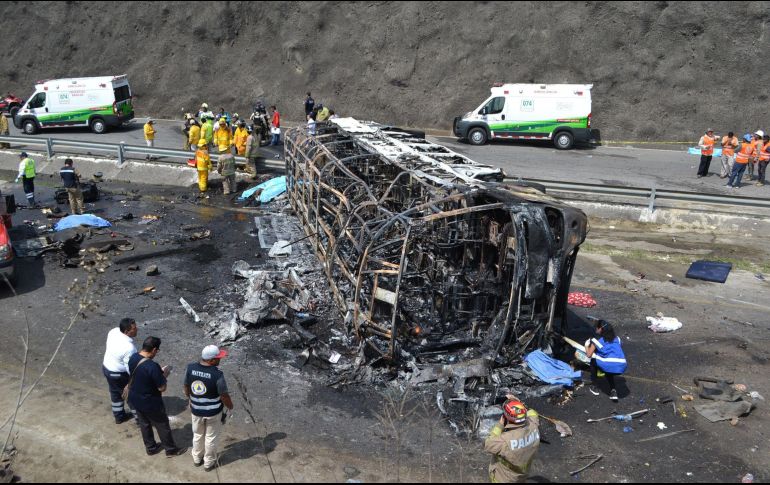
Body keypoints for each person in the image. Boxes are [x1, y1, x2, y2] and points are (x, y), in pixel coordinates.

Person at [127, 336, 187, 457]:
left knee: (144, 424)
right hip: (151, 402)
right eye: (157, 350)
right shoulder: (152, 366)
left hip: (135, 398)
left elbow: (140, 375)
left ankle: (151, 448)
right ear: (154, 350)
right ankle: (170, 450)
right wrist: (164, 375)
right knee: (162, 425)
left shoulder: (133, 357)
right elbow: (162, 388)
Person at [184, 345, 234, 471]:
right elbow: (224, 395)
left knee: (197, 435)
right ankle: (209, 463)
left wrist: (190, 398)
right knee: (211, 438)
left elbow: (186, 385)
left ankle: (196, 458)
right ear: (211, 360)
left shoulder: (190, 368)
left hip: (196, 410)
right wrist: (230, 406)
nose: (220, 360)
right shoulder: (217, 375)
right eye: (218, 358)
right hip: (213, 413)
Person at [484, 395, 540, 483]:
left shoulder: (504, 441)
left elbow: (488, 444)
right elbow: (533, 413)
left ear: (506, 417)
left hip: (504, 478)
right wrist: (519, 405)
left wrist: (500, 424)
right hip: (523, 474)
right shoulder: (534, 425)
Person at [101, 318, 138, 424]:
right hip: (118, 374)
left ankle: (119, 416)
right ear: (126, 331)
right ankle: (140, 419)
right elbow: (130, 369)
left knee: (115, 393)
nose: (137, 330)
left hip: (107, 368)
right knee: (131, 396)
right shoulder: (129, 348)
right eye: (134, 329)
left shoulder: (113, 331)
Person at [585, 319, 627, 402]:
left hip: (610, 364)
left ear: (600, 329)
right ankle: (613, 390)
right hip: (622, 365)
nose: (596, 329)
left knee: (593, 361)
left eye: (596, 328)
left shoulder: (596, 339)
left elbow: (589, 354)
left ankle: (595, 386)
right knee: (608, 367)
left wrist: (586, 345)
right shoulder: (617, 338)